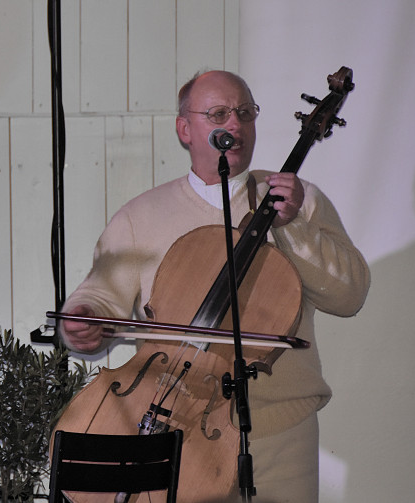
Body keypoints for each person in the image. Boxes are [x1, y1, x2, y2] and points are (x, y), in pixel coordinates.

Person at [58, 70, 370, 502]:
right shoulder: (140, 215)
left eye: (245, 112)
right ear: (185, 129)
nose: (235, 125)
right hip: (178, 427)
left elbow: (349, 295)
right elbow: (99, 295)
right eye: (219, 113)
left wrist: (294, 226)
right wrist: (86, 318)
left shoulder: (300, 200)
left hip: (281, 433)